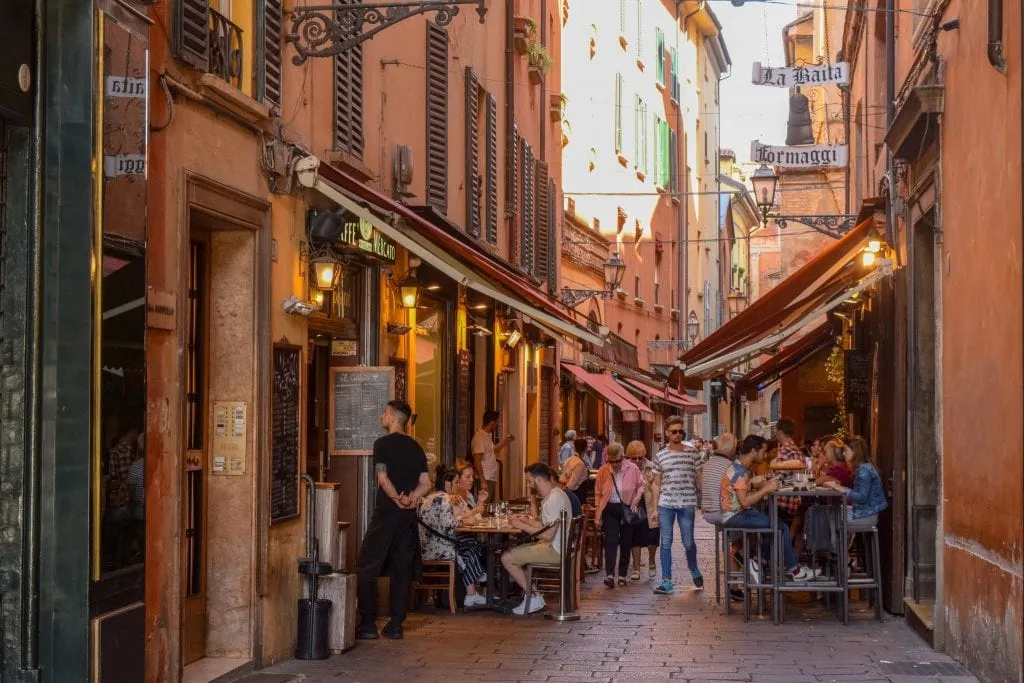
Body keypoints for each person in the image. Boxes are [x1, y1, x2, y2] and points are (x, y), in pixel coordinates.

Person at [356, 400, 431, 640]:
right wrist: (411, 499)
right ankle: (396, 624)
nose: (381, 416)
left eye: (383, 413)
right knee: (402, 570)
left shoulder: (382, 444)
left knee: (366, 566)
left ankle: (368, 623)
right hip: (407, 519)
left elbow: (382, 477)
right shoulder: (416, 447)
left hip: (387, 514)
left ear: (391, 416)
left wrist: (395, 499)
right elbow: (425, 483)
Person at [721, 434, 816, 583]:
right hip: (734, 515)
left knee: (773, 523)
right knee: (781, 527)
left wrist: (754, 483)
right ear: (753, 451)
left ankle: (758, 563)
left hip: (737, 513)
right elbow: (744, 502)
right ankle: (795, 571)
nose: (765, 455)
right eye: (763, 451)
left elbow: (740, 493)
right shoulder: (740, 471)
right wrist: (766, 489)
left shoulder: (740, 467)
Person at [502, 463, 572, 615]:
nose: (528, 484)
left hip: (555, 550)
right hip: (559, 546)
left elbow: (547, 535)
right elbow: (546, 526)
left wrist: (521, 525)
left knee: (507, 558)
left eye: (529, 481)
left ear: (539, 479)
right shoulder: (556, 494)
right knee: (513, 553)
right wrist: (527, 521)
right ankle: (534, 595)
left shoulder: (552, 500)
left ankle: (533, 597)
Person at [417, 464, 490, 607]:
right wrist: (463, 518)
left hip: (427, 546)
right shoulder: (444, 499)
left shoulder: (431, 497)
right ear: (447, 483)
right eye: (456, 482)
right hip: (438, 549)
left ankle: (473, 590)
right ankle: (473, 590)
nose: (457, 485)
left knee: (469, 543)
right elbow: (448, 524)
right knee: (469, 548)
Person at [651, 416, 707, 594]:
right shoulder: (660, 455)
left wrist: (704, 500)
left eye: (680, 431)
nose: (677, 434)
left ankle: (693, 568)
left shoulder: (692, 453)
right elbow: (656, 483)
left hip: (687, 502)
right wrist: (654, 508)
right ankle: (666, 581)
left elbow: (700, 478)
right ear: (667, 433)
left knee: (688, 541)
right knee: (665, 542)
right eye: (674, 431)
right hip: (666, 503)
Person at [594, 443, 644, 587]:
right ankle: (609, 574)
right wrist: (598, 514)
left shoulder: (632, 468)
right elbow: (598, 493)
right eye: (612, 461)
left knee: (626, 542)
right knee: (610, 541)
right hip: (610, 508)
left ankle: (622, 574)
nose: (615, 464)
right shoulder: (603, 471)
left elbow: (641, 485)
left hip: (627, 508)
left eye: (618, 461)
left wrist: (637, 498)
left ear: (623, 458)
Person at [823, 435, 888, 528]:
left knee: (828, 514)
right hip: (866, 512)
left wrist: (842, 488)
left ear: (855, 452)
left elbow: (862, 497)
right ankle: (837, 542)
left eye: (846, 450)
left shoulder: (864, 470)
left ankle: (835, 543)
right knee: (828, 511)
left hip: (867, 515)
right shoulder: (863, 467)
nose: (844, 454)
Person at [625, 440, 659, 580]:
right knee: (635, 538)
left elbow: (657, 487)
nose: (638, 461)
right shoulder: (625, 468)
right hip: (633, 506)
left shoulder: (651, 467)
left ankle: (651, 561)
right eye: (634, 458)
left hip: (649, 505)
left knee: (652, 537)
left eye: (640, 457)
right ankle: (636, 567)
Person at [471, 410, 514, 498]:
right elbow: (477, 460)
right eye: (497, 422)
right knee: (483, 504)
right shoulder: (479, 438)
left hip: (490, 476)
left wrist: (506, 441)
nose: (497, 424)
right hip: (485, 477)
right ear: (492, 422)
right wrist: (482, 480)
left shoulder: (487, 435)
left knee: (488, 503)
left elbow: (492, 450)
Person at [699, 432, 736, 526]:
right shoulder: (729, 465)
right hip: (722, 513)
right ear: (733, 448)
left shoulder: (707, 464)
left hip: (707, 512)